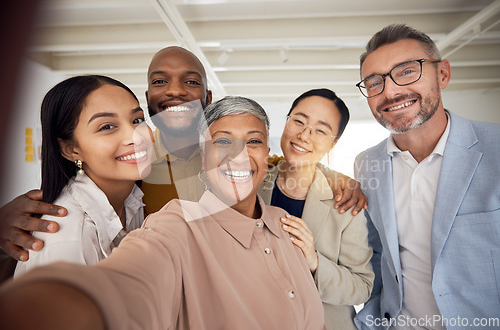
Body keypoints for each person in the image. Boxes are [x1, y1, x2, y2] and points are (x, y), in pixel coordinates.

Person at [0, 46, 367, 265]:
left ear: (207, 98)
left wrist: (339, 179)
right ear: (148, 98)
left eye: (191, 82)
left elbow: (289, 166)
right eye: (160, 82)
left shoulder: (233, 160)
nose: (175, 92)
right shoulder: (134, 162)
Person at [0, 96, 327, 330]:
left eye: (253, 141)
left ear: (267, 154)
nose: (239, 155)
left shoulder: (288, 228)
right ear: (202, 155)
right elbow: (131, 278)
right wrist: (74, 301)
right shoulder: (177, 225)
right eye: (223, 142)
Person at [353, 24, 500, 330]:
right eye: (374, 82)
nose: (390, 92)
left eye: (406, 71)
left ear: (442, 74)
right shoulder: (367, 164)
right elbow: (378, 255)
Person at [15, 75, 153, 277]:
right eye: (107, 126)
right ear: (71, 149)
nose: (135, 135)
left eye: (137, 120)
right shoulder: (68, 240)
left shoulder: (131, 198)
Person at [259, 88, 374, 330]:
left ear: (333, 143)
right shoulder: (251, 185)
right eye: (298, 121)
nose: (304, 135)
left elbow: (362, 287)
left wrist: (314, 262)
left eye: (320, 130)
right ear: (286, 121)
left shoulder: (346, 202)